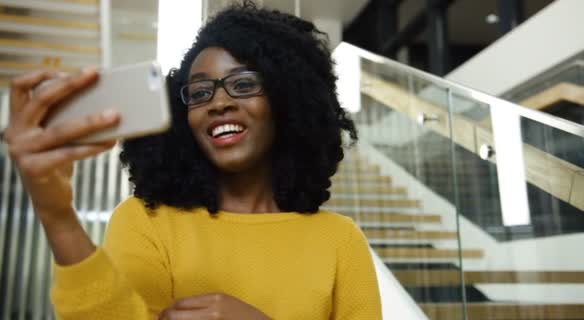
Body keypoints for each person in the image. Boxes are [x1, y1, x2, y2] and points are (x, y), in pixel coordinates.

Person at [4, 1, 382, 319]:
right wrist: (57, 217)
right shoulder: (144, 221)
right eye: (200, 92)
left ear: (288, 100)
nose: (218, 102)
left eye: (244, 84)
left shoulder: (340, 241)